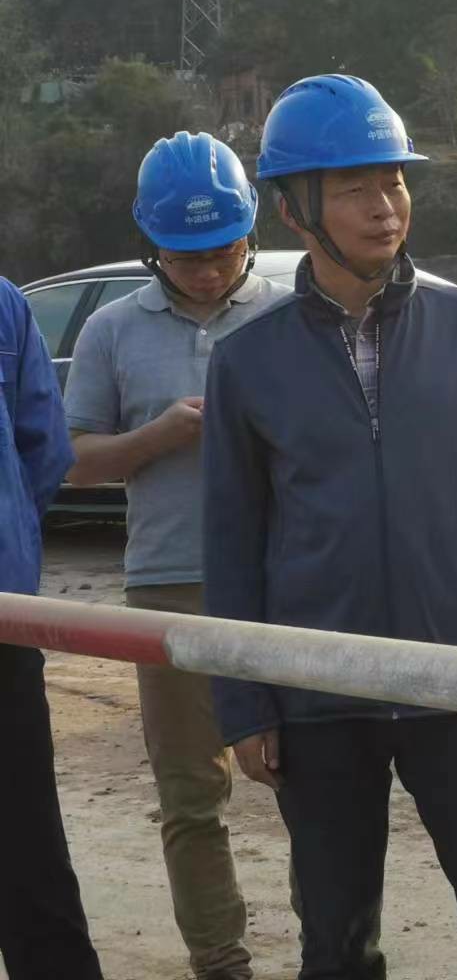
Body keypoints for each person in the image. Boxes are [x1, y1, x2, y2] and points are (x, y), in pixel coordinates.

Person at [200, 75, 457, 980]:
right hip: (319, 691)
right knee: (336, 941)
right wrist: (245, 703)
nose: (385, 206)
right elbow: (233, 542)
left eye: (395, 181)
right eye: (356, 186)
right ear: (295, 208)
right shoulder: (248, 361)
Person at [60, 132, 288, 980]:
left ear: (251, 232)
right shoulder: (113, 330)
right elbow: (74, 461)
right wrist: (157, 437)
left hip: (285, 579)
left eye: (224, 250)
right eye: (187, 256)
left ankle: (335, 951)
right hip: (171, 584)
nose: (208, 270)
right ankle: (220, 961)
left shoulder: (288, 317)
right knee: (192, 795)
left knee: (314, 784)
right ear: (151, 246)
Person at [0, 277, 104, 980]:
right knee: (24, 835)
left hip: (5, 623)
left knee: (26, 838)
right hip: (6, 612)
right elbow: (42, 454)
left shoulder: (5, 306)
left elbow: (43, 448)